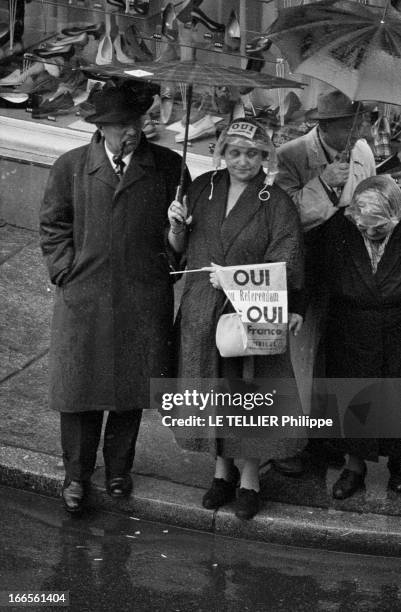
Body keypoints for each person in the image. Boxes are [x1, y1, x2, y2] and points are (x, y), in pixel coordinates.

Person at [40, 85, 190, 513]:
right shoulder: (70, 166)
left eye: (137, 123)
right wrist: (64, 271)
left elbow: (179, 241)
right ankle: (76, 476)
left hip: (142, 294)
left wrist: (176, 234)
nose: (132, 132)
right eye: (122, 125)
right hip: (84, 296)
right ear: (101, 128)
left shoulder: (168, 167)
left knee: (130, 387)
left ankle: (120, 469)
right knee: (81, 390)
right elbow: (53, 225)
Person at [167, 118, 305, 520]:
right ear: (222, 153)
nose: (242, 161)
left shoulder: (276, 202)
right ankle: (221, 472)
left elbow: (288, 262)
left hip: (250, 314)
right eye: (234, 152)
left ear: (265, 156)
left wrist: (231, 280)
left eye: (252, 153)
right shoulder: (202, 188)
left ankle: (249, 478)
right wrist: (176, 228)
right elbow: (179, 252)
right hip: (202, 311)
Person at [273, 90, 376, 476]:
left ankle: (327, 440)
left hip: (349, 268)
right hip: (308, 269)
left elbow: (371, 195)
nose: (359, 130)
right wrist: (324, 185)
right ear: (327, 126)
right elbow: (282, 216)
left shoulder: (363, 151)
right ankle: (291, 444)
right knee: (303, 357)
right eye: (352, 124)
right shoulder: (293, 155)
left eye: (360, 122)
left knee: (337, 358)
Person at [321, 175, 401, 499]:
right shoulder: (340, 228)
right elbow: (319, 271)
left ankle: (399, 465)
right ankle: (354, 468)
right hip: (351, 326)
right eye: (363, 225)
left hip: (397, 327)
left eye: (379, 227)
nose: (370, 232)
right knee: (355, 398)